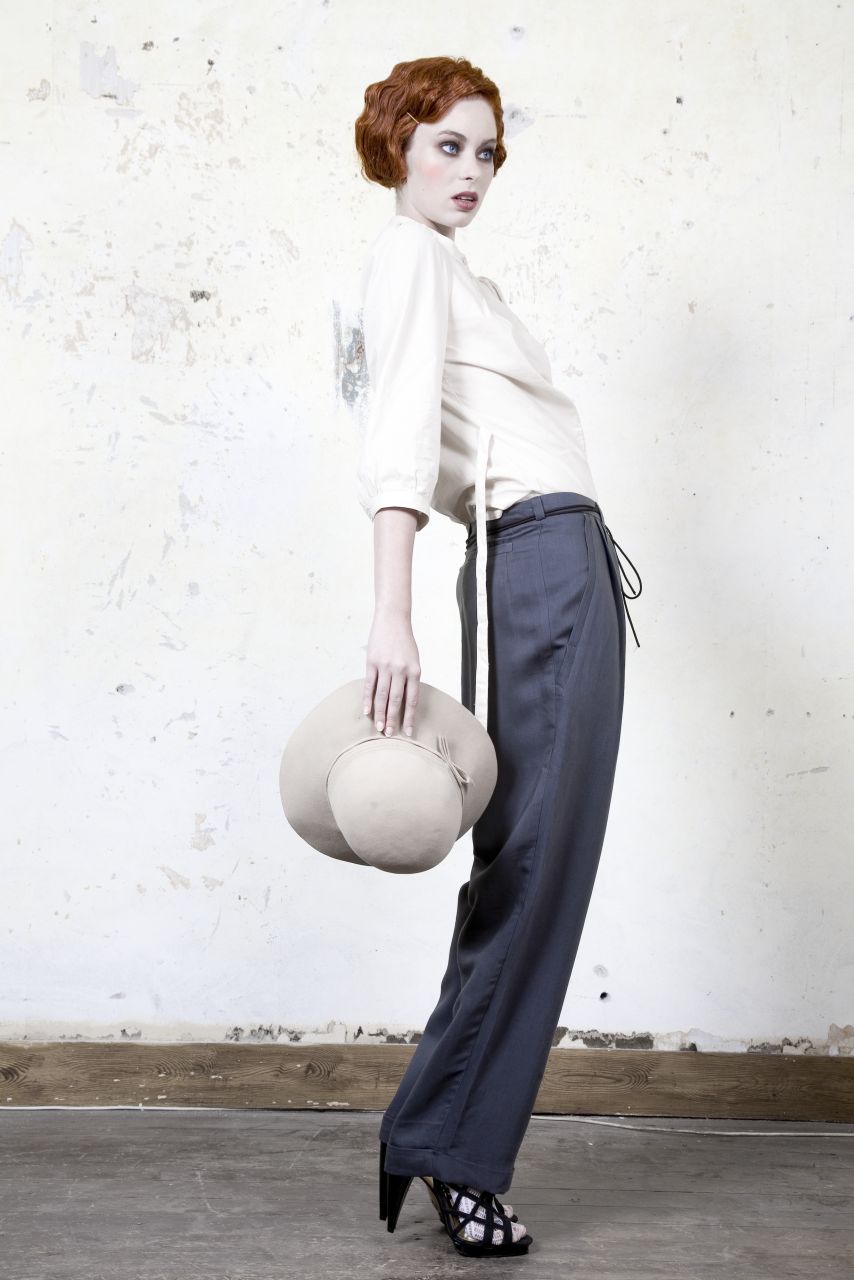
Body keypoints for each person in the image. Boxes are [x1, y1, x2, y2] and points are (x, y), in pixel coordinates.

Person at [353, 55, 641, 1259]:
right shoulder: (409, 259)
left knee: (536, 857)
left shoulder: (453, 269)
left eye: (484, 151)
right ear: (397, 147)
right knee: (531, 863)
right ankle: (451, 1147)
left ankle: (438, 1131)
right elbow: (396, 439)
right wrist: (391, 611)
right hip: (535, 557)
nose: (469, 170)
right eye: (446, 145)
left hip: (559, 558)